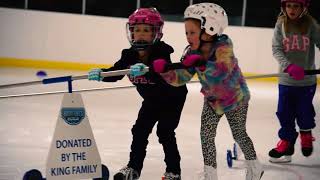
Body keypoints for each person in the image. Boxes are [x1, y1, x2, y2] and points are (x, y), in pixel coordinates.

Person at [131, 3, 264, 180]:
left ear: (210, 29)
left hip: (235, 99)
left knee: (239, 133)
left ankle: (255, 166)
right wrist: (164, 71)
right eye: (186, 32)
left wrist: (201, 62)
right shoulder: (191, 52)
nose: (188, 37)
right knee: (206, 136)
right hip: (212, 101)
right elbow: (180, 79)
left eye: (192, 32)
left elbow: (221, 71)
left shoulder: (224, 46)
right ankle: (210, 174)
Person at [88, 8, 188, 180]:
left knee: (164, 132)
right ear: (131, 32)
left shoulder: (162, 51)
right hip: (151, 100)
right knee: (139, 131)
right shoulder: (128, 55)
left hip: (172, 98)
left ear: (156, 33)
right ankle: (133, 168)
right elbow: (117, 73)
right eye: (137, 30)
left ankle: (173, 171)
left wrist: (147, 71)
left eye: (146, 30)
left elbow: (160, 69)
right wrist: (102, 74)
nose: (141, 34)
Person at [268, 0, 320, 163]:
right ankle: (287, 142)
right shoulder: (281, 25)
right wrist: (288, 66)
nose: (291, 9)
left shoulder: (311, 24)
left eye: (295, 6)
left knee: (304, 111)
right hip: (286, 80)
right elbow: (276, 49)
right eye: (288, 6)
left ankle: (306, 134)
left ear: (303, 8)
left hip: (306, 81)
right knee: (284, 113)